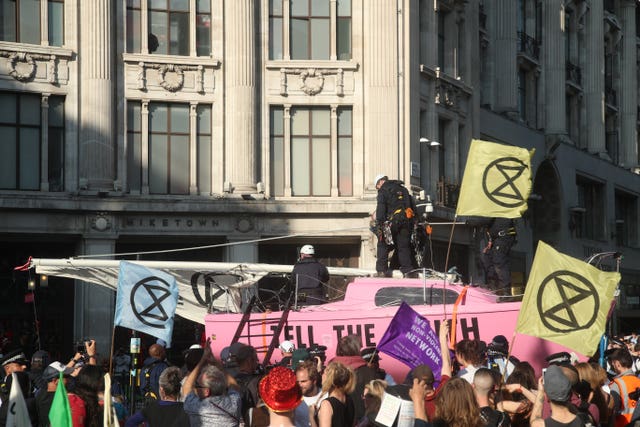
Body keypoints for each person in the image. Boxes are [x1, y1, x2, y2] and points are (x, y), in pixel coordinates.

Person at [182, 341, 242, 426]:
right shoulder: (233, 403)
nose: (195, 388)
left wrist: (202, 360)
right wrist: (216, 363)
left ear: (206, 391)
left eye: (198, 386)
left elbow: (186, 388)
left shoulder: (196, 406)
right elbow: (234, 386)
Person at [374, 174, 417, 277]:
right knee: (403, 247)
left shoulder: (383, 190)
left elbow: (381, 209)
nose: (378, 189)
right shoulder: (404, 190)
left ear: (380, 182)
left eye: (377, 187)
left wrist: (380, 224)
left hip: (391, 222)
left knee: (382, 243)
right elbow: (412, 207)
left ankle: (381, 270)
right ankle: (407, 271)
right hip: (406, 222)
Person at [330, 334, 377, 421]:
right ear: (355, 349)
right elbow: (373, 398)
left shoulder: (330, 368)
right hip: (360, 418)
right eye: (359, 347)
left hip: (334, 417)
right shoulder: (366, 371)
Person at [125, 366, 189, 427]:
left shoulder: (151, 408)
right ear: (178, 390)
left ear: (161, 389)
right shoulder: (185, 409)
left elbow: (130, 423)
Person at [309, 361, 355, 427]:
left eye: (323, 373)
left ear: (329, 378)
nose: (321, 375)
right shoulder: (349, 399)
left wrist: (311, 417)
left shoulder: (327, 404)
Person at [479, 217, 517, 295]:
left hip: (503, 237)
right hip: (496, 239)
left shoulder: (493, 208)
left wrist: (470, 220)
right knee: (486, 257)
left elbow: (486, 219)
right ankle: (492, 286)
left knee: (499, 261)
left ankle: (506, 292)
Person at [607, 348, 640, 427]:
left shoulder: (617, 384)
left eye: (613, 364)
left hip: (622, 424)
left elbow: (611, 411)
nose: (613, 366)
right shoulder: (638, 381)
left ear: (618, 364)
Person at [35, 361, 74, 427]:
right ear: (55, 380)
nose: (69, 379)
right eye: (66, 376)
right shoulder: (58, 399)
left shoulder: (40, 394)